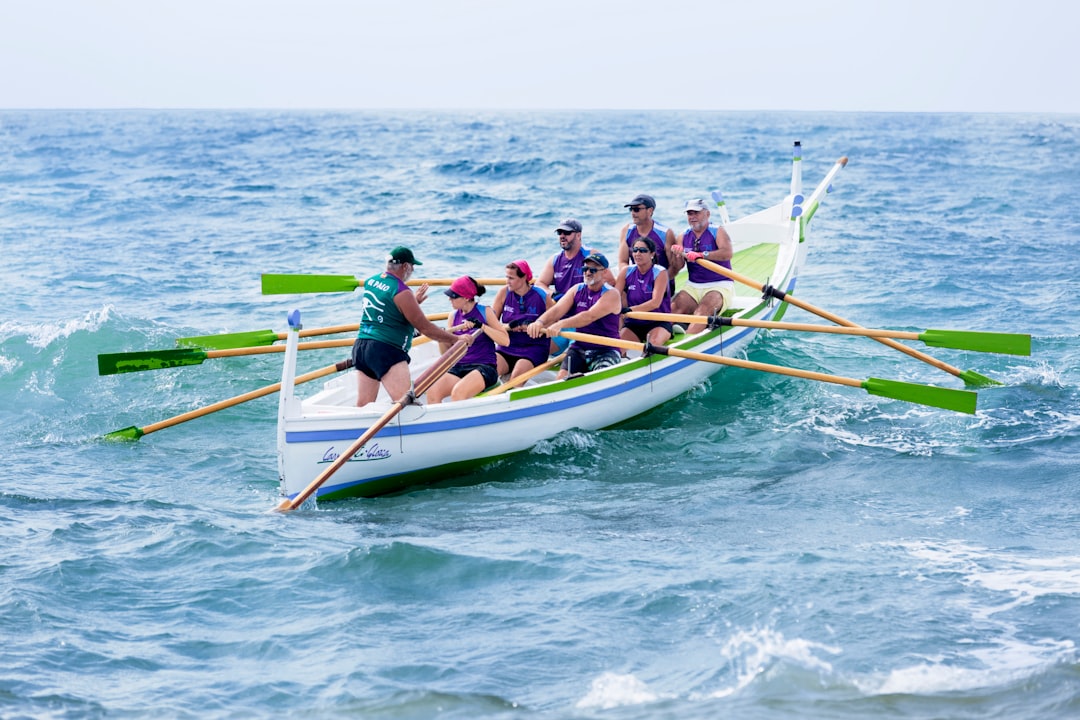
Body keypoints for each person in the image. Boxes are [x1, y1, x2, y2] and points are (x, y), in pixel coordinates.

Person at [352, 246, 471, 407]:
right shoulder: (402, 292)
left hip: (361, 348)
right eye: (412, 267)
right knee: (408, 407)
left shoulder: (371, 281)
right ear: (405, 266)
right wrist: (456, 339)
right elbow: (425, 328)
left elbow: (387, 308)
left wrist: (413, 303)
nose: (413, 270)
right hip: (386, 351)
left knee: (363, 406)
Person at [527, 252, 622, 378]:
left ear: (604, 272)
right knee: (561, 379)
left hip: (606, 349)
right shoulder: (577, 289)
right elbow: (557, 310)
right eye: (585, 269)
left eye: (593, 270)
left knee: (599, 378)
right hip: (580, 347)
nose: (588, 272)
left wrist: (561, 324)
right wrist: (539, 322)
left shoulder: (612, 294)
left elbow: (589, 316)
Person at [427, 276, 510, 403]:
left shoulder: (485, 312)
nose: (449, 299)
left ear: (466, 298)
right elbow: (448, 355)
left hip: (485, 367)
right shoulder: (453, 316)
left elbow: (505, 340)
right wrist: (442, 338)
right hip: (460, 366)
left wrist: (482, 326)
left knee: (458, 393)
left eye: (453, 296)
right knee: (433, 391)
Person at [668, 198, 735, 334]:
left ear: (707, 214)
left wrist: (701, 255)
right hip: (693, 286)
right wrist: (677, 256)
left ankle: (688, 344)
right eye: (689, 214)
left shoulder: (718, 231)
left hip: (720, 285)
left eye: (696, 213)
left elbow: (727, 253)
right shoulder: (682, 236)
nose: (692, 217)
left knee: (702, 311)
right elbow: (679, 266)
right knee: (673, 308)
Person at [492, 259, 553, 381]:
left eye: (511, 278)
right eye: (506, 277)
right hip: (507, 346)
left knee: (517, 376)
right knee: (490, 370)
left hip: (534, 348)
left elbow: (554, 320)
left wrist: (540, 328)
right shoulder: (503, 293)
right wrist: (508, 326)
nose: (507, 282)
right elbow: (492, 323)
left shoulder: (541, 295)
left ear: (524, 277)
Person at [615, 236, 673, 347]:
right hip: (633, 323)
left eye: (642, 251)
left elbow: (655, 303)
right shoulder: (626, 271)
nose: (637, 253)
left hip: (658, 322)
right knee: (618, 348)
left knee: (652, 345)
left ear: (652, 254)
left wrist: (630, 310)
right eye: (635, 250)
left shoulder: (660, 272)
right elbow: (614, 296)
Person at [615, 194, 677, 293]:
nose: (633, 213)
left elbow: (674, 266)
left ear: (650, 211)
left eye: (636, 209)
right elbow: (623, 261)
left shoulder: (665, 233)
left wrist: (656, 282)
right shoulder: (626, 231)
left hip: (661, 284)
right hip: (637, 283)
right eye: (631, 209)